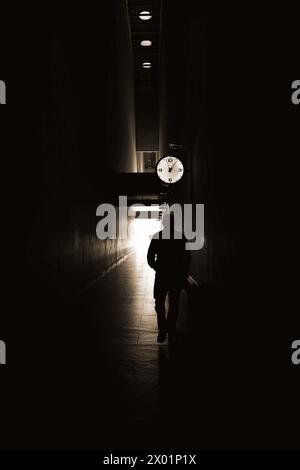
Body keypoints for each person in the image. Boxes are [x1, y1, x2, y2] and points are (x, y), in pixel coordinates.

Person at [147, 213, 190, 343]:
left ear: (164, 223)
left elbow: (150, 257)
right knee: (174, 303)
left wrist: (156, 267)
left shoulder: (157, 236)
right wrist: (183, 272)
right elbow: (187, 257)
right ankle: (170, 328)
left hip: (161, 275)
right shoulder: (180, 237)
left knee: (159, 302)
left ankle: (163, 327)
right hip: (175, 275)